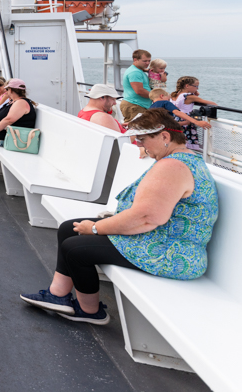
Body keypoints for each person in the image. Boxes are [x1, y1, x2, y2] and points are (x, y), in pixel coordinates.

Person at [20, 108, 218, 325]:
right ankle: (57, 295)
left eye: (142, 140)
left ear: (165, 136)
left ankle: (90, 311)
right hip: (161, 237)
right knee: (70, 227)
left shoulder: (172, 166)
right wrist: (150, 150)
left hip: (170, 253)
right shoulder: (179, 158)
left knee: (75, 249)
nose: (139, 145)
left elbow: (147, 218)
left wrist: (95, 229)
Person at [171, 77, 217, 151]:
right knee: (184, 144)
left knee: (175, 142)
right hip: (186, 120)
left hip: (175, 119)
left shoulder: (175, 94)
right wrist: (195, 96)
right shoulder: (189, 97)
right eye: (196, 86)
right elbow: (213, 104)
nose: (197, 89)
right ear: (187, 86)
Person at [120, 49, 152, 121]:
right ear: (135, 60)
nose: (147, 63)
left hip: (138, 104)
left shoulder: (138, 70)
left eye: (149, 60)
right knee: (136, 129)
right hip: (135, 105)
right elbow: (139, 90)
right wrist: (155, 97)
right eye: (145, 61)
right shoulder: (135, 72)